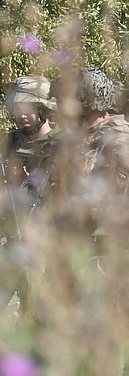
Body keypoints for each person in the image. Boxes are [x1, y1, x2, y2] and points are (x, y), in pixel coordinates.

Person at [1, 75, 61, 309]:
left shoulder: (63, 146)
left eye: (29, 108)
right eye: (17, 108)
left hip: (48, 248)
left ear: (44, 109)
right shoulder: (7, 143)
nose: (22, 114)